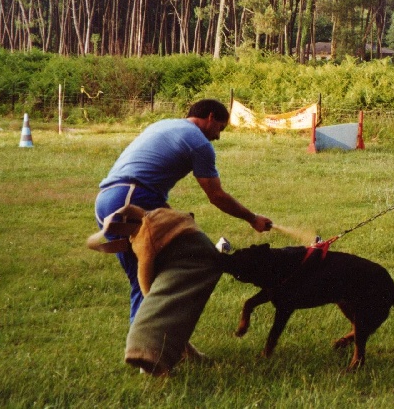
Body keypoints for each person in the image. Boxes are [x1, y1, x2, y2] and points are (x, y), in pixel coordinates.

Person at [94, 98, 272, 375]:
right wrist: (252, 219)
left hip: (107, 200)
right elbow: (216, 195)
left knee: (148, 280)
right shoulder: (198, 142)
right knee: (203, 258)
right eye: (220, 127)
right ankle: (152, 357)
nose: (218, 136)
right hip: (134, 199)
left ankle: (166, 350)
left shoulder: (164, 125)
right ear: (210, 117)